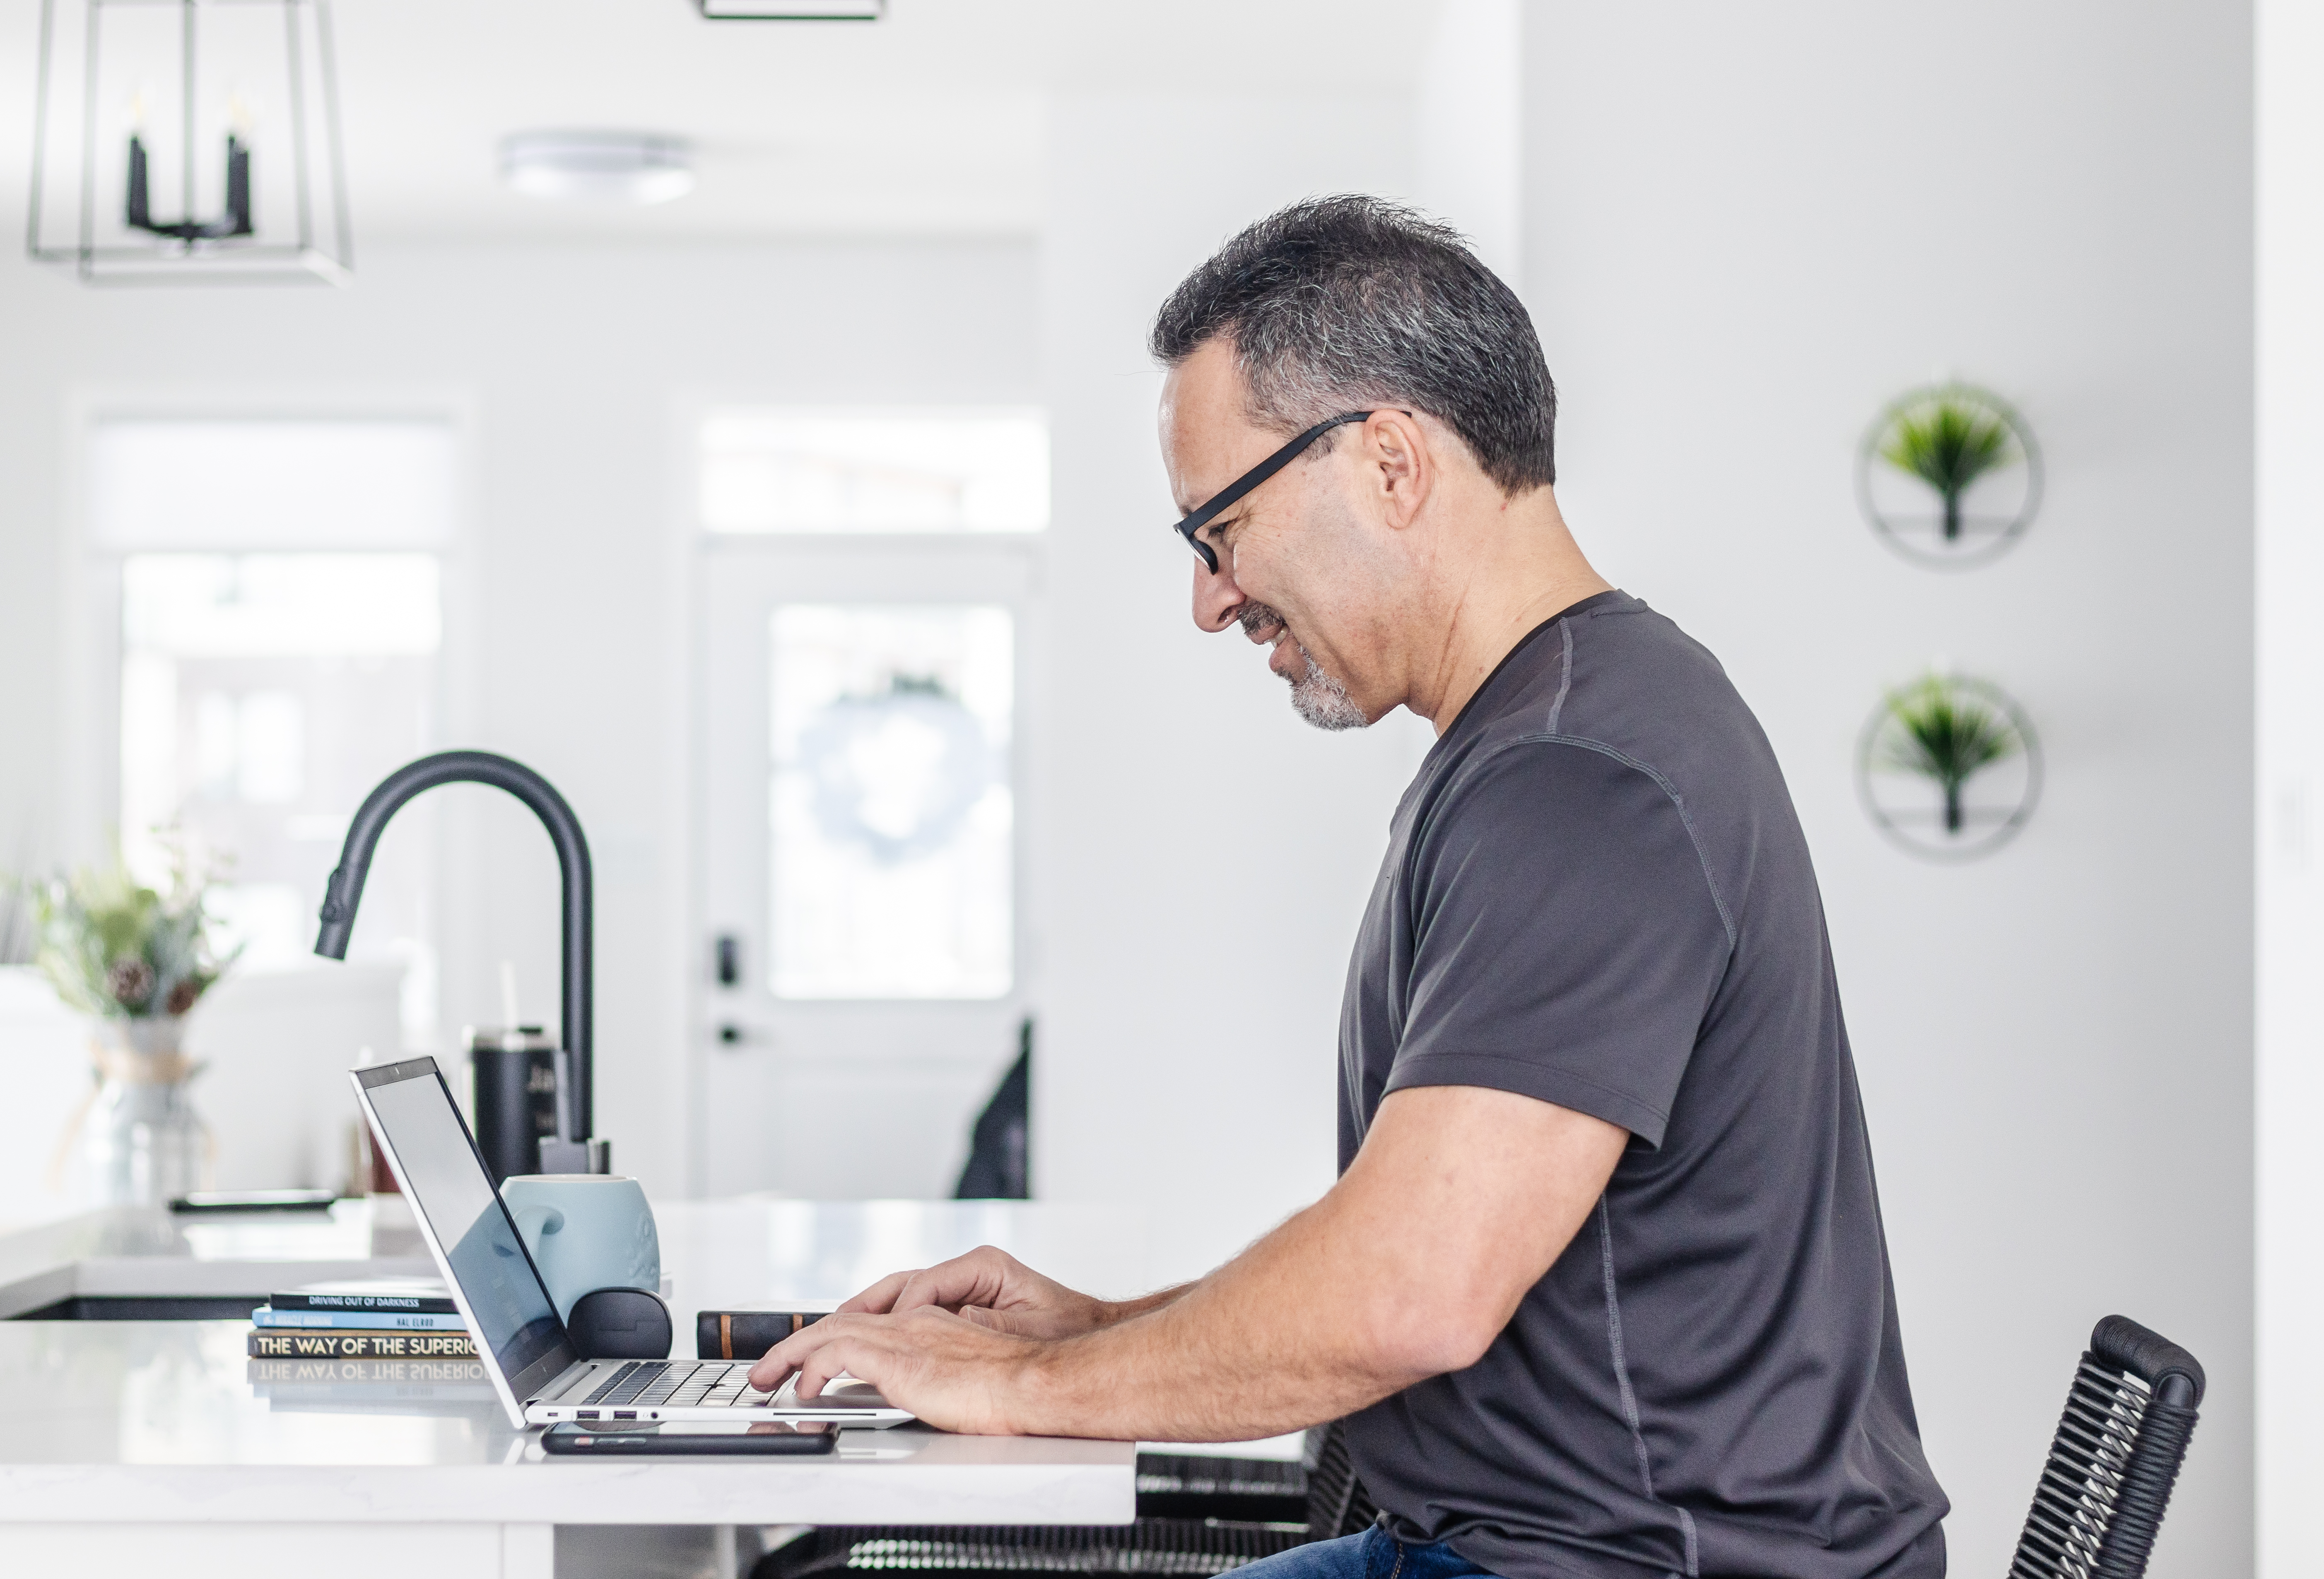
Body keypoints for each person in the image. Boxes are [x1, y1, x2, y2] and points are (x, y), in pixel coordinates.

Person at [751, 197, 1950, 1579]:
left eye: (1221, 527)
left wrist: (1013, 1393)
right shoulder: (1558, 734)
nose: (1212, 601)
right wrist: (1093, 1332)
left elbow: (1409, 1296)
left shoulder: (1581, 777)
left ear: (1389, 461)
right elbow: (1405, 1243)